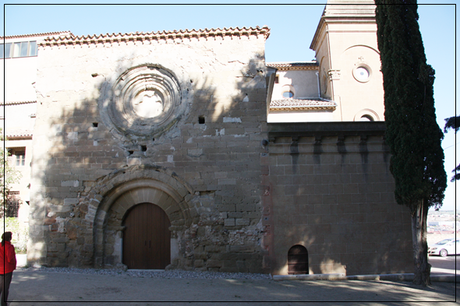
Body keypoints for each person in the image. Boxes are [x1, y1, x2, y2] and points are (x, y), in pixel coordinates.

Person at [0, 232, 16, 306]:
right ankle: (3, 303)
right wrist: (14, 263)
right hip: (7, 269)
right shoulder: (9, 246)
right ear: (9, 238)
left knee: (0, 286)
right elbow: (10, 259)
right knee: (5, 288)